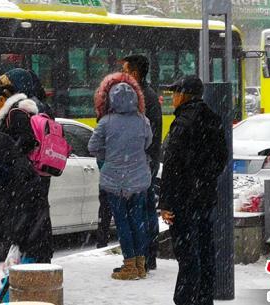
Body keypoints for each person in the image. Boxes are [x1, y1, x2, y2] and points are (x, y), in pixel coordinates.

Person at [159, 75, 228, 305]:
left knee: (187, 256)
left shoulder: (182, 123)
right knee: (206, 251)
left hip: (183, 200)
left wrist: (166, 203)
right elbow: (221, 158)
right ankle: (204, 298)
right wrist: (204, 180)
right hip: (204, 197)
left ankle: (186, 299)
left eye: (175, 93)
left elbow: (171, 165)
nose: (173, 98)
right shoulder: (213, 118)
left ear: (184, 95)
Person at [0, 82, 53, 264]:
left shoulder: (15, 114)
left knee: (24, 233)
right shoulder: (15, 113)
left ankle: (24, 279)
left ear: (1, 99)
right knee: (26, 233)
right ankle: (21, 278)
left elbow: (27, 141)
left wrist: (7, 157)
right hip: (23, 182)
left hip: (23, 183)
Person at [89, 72, 152, 280]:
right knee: (138, 221)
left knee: (123, 223)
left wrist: (109, 155)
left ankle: (129, 265)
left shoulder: (106, 122)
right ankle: (141, 264)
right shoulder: (143, 121)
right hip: (139, 179)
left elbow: (93, 146)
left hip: (114, 180)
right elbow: (147, 144)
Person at [0, 68, 55, 235]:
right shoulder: (43, 106)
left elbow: (27, 139)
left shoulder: (27, 108)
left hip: (32, 167)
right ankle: (41, 251)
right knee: (40, 208)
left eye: (9, 86)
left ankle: (33, 251)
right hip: (43, 166)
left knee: (31, 211)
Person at [121, 54, 162, 270]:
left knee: (137, 213)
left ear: (134, 74)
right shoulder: (147, 95)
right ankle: (148, 257)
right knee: (145, 210)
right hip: (146, 161)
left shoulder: (139, 97)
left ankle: (141, 258)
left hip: (139, 162)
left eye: (125, 71)